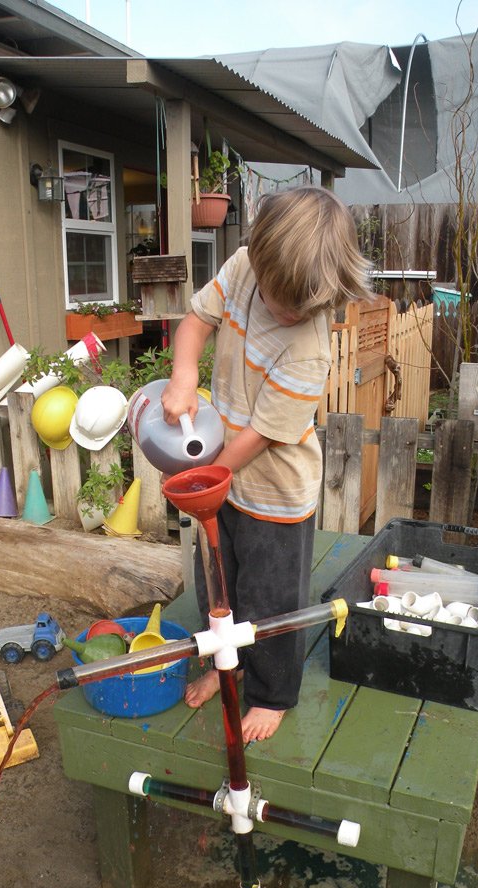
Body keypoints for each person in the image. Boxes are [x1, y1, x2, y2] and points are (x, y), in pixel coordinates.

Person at [161, 186, 371, 742]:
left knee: (269, 601)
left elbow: (257, 437)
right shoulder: (245, 266)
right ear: (257, 258)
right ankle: (220, 664)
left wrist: (201, 478)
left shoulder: (309, 347)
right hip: (223, 481)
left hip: (276, 494)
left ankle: (272, 694)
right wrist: (185, 375)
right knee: (216, 583)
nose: (292, 313)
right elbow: (195, 324)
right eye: (284, 301)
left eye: (305, 308)